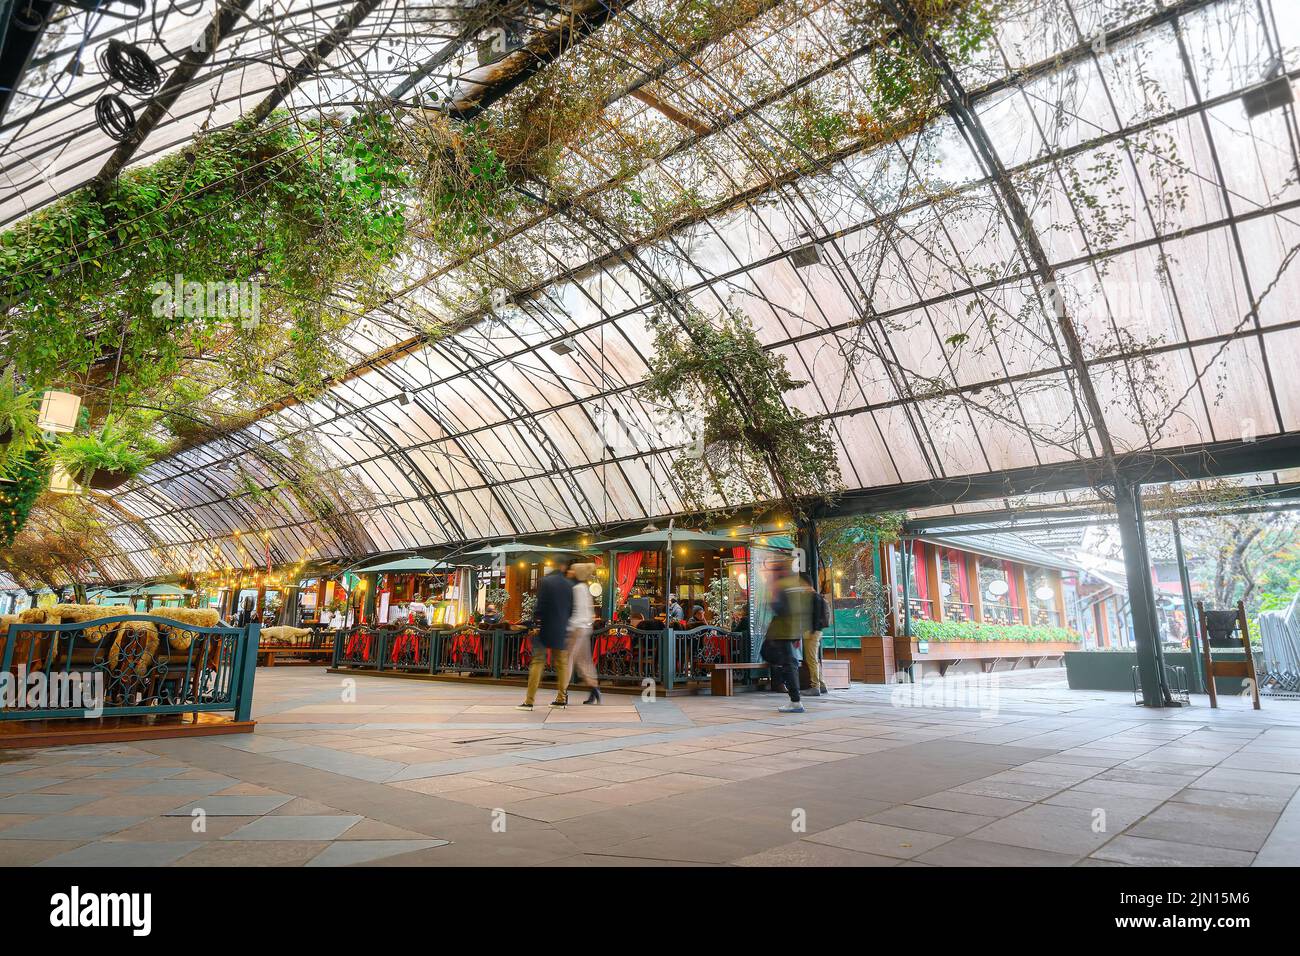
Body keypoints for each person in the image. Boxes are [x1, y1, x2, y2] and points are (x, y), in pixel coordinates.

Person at [517, 564, 573, 710]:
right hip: (561, 629)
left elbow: (540, 606)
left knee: (537, 663)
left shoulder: (545, 582)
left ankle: (529, 701)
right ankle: (561, 698)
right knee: (562, 665)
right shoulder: (568, 585)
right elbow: (572, 610)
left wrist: (534, 622)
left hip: (545, 628)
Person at [761, 558, 813, 714]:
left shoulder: (781, 586)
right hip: (793, 629)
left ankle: (795, 699)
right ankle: (793, 692)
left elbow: (780, 608)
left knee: (772, 655)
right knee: (787, 661)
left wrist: (771, 597)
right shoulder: (798, 585)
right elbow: (804, 610)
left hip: (782, 630)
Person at [564, 561, 601, 705]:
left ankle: (563, 692)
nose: (570, 572)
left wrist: (569, 626)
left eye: (573, 570)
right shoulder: (585, 588)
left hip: (577, 628)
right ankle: (594, 689)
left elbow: (577, 611)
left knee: (567, 659)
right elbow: (589, 611)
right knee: (584, 660)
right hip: (585, 628)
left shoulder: (577, 588)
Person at [804, 580, 831, 696]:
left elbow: (815, 617)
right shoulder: (817, 597)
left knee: (811, 660)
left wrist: (812, 631)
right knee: (813, 659)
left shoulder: (813, 598)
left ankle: (815, 686)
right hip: (816, 632)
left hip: (812, 633)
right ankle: (822, 684)